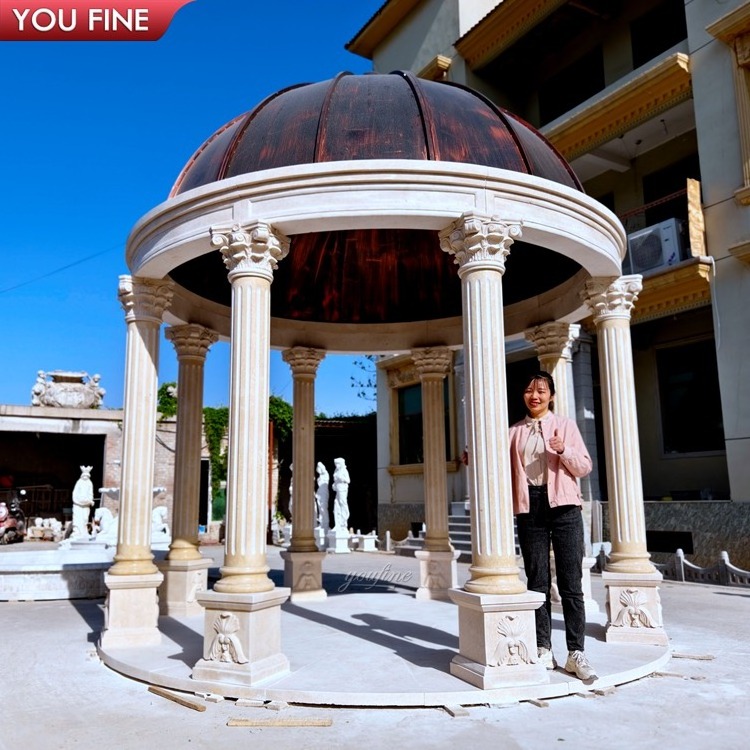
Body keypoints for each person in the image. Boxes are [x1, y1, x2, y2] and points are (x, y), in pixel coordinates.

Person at [509, 371, 597, 682]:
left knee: (571, 584)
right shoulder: (515, 432)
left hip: (565, 507)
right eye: (529, 390)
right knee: (537, 581)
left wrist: (563, 450)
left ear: (551, 395)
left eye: (541, 390)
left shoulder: (565, 426)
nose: (534, 395)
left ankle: (576, 652)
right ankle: (543, 647)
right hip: (529, 506)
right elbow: (497, 466)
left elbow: (584, 467)